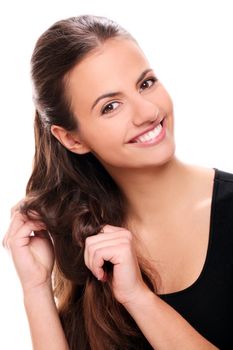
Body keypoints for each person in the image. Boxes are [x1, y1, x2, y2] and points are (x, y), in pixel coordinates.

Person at [3, 15, 233, 350]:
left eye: (145, 84)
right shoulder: (85, 236)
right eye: (111, 106)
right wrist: (36, 288)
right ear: (71, 139)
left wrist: (138, 298)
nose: (147, 112)